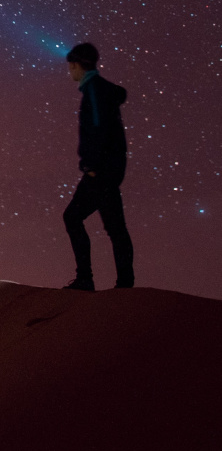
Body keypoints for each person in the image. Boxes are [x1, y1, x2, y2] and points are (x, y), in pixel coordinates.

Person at [62, 43, 134, 291]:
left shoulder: (94, 89)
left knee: (72, 217)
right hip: (110, 170)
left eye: (70, 67)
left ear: (75, 65)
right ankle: (124, 283)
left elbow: (97, 127)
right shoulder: (102, 90)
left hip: (100, 171)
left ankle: (85, 279)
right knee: (115, 228)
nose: (69, 73)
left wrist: (91, 165)